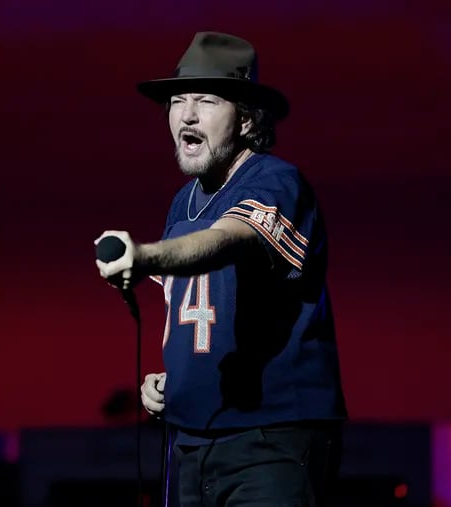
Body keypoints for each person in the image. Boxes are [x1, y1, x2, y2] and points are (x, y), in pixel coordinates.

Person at [95, 32, 348, 507]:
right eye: (177, 101)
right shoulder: (181, 204)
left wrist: (146, 255)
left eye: (206, 101)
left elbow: (231, 239)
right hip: (190, 440)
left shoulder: (276, 180)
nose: (186, 114)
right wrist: (175, 378)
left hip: (269, 439)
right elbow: (198, 313)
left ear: (248, 120)